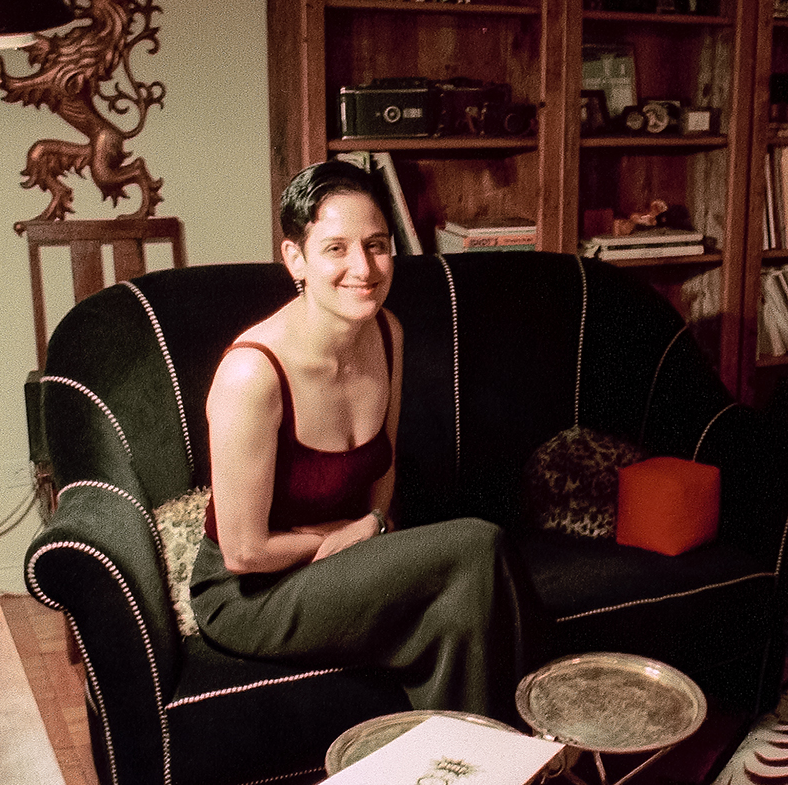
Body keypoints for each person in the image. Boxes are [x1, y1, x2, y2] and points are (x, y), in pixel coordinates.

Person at [185, 160, 531, 721]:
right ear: (295, 258)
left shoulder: (387, 333)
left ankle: (467, 764)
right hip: (251, 594)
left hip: (346, 558)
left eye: (377, 245)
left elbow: (382, 477)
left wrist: (370, 524)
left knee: (461, 610)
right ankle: (530, 740)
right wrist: (349, 534)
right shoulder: (251, 373)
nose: (364, 268)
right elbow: (243, 553)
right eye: (336, 249)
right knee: (478, 543)